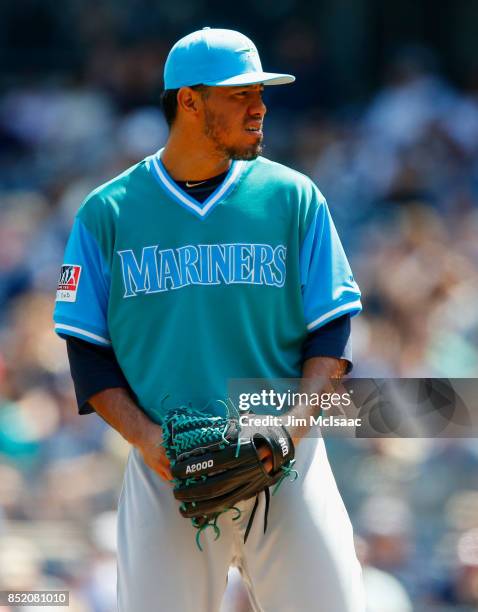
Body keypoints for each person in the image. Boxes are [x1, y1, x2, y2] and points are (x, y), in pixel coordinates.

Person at [53, 27, 365, 612]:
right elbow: (86, 352)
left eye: (261, 92)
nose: (260, 106)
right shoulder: (108, 212)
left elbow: (332, 330)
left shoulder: (293, 197)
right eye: (240, 94)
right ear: (189, 101)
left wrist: (290, 430)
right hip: (167, 463)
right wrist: (148, 442)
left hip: (288, 458)